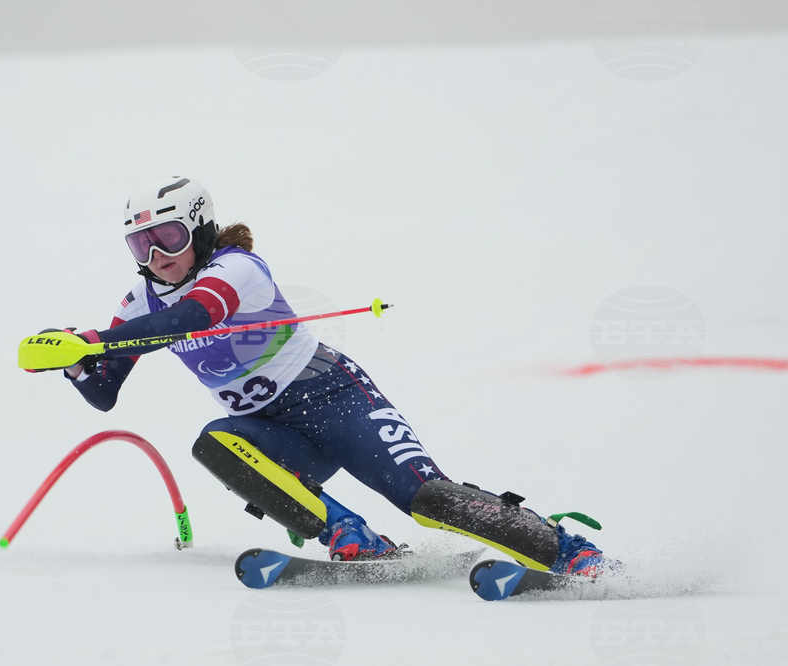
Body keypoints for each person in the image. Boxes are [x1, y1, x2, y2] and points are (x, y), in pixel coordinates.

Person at [38, 175, 612, 574]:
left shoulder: (238, 268)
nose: (155, 255)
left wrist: (95, 340)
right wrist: (77, 364)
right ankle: (348, 532)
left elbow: (190, 317)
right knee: (216, 444)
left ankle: (565, 548)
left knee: (427, 499)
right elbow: (104, 394)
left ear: (201, 229)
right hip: (274, 430)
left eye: (167, 237)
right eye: (141, 242)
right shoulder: (139, 297)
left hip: (335, 400)